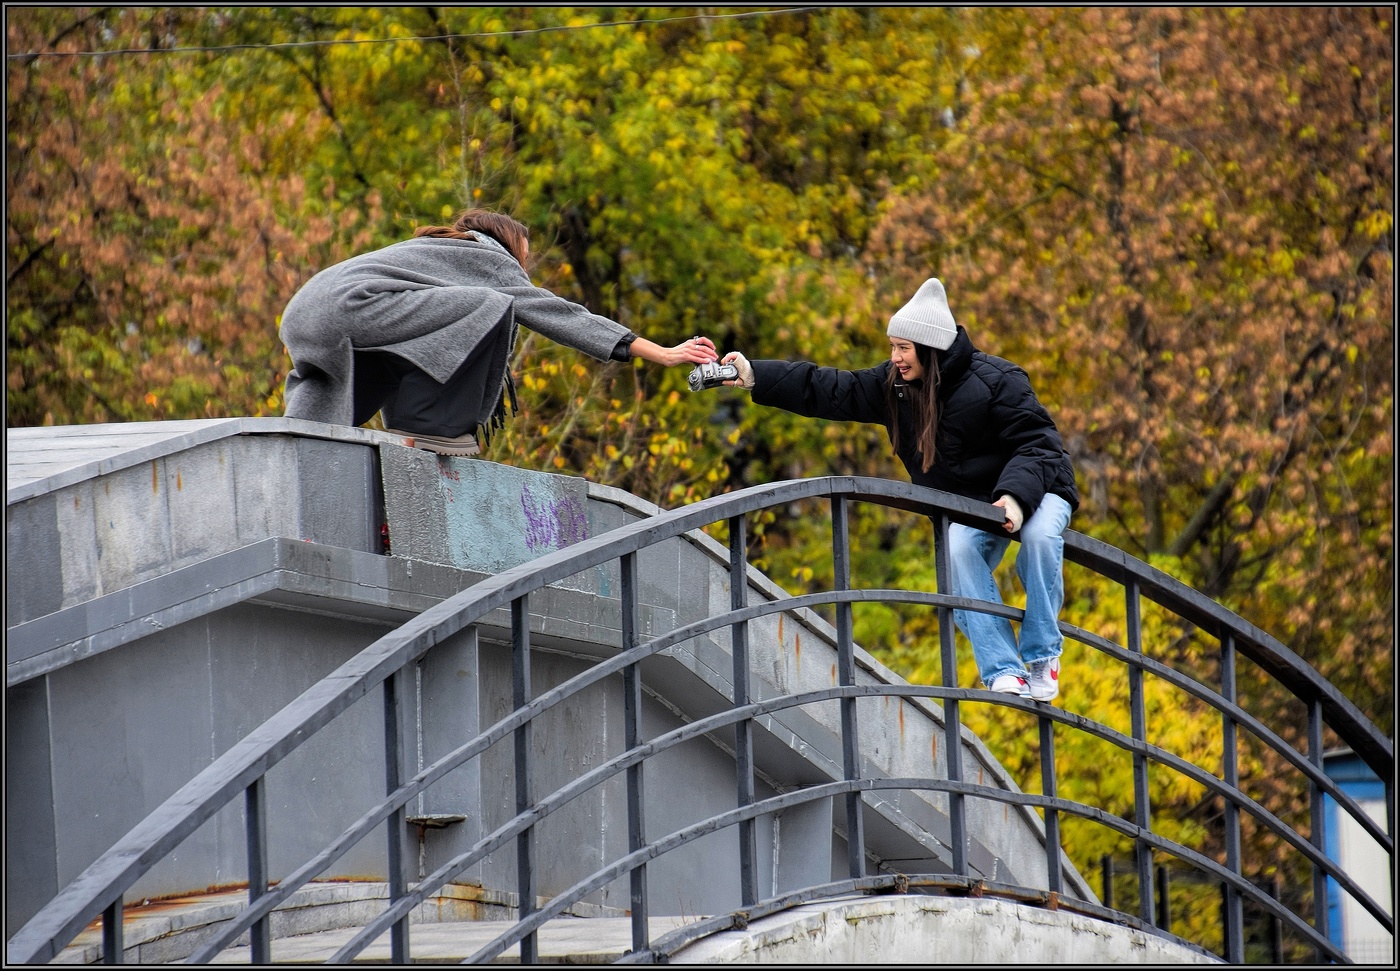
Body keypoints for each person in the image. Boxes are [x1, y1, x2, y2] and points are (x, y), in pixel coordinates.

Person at [718, 278, 1079, 701]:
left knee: (1037, 540)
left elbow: (1039, 444)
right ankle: (1003, 668)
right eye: (893, 347)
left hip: (1040, 485)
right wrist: (755, 374)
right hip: (974, 505)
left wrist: (1016, 500)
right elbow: (829, 388)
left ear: (930, 348)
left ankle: (1042, 655)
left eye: (903, 349)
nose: (895, 358)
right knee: (959, 550)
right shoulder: (895, 387)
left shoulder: (999, 379)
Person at [280, 209, 717, 455]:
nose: (522, 270)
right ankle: (431, 428)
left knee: (417, 344)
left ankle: (303, 437)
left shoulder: (434, 250)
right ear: (506, 245)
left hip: (305, 313)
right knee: (492, 305)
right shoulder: (485, 255)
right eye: (523, 258)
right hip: (357, 306)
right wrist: (660, 352)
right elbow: (555, 312)